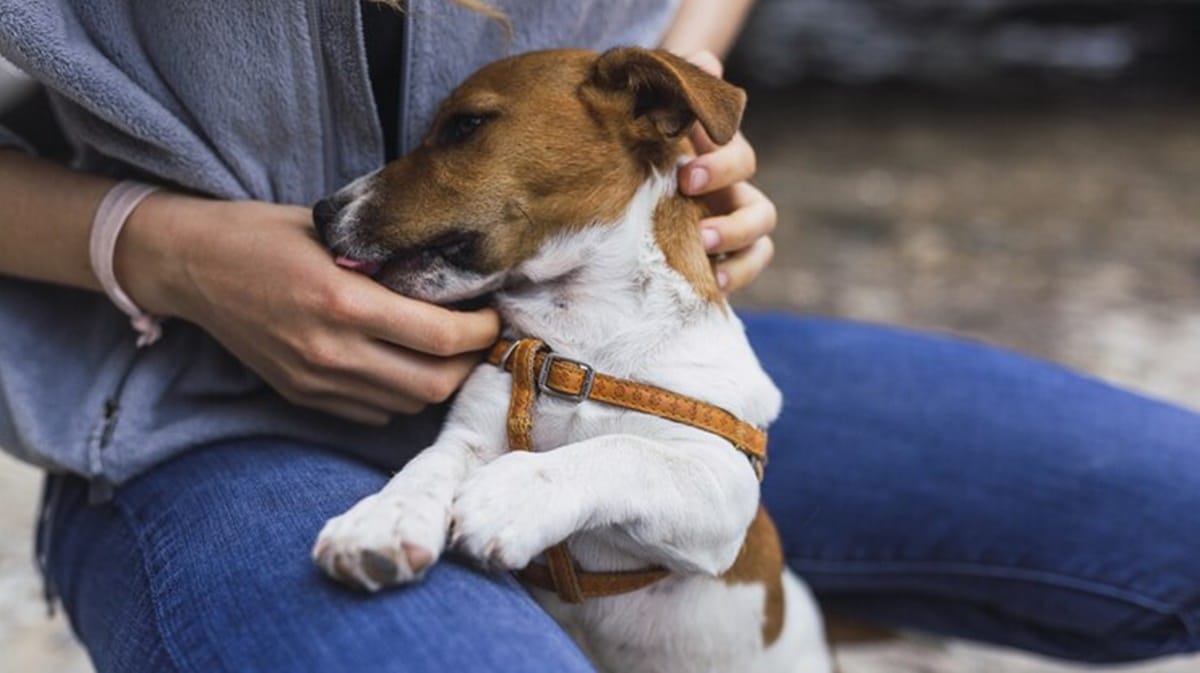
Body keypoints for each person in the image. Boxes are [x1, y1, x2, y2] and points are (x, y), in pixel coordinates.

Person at [0, 1, 1196, 671]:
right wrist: (143, 242)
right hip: (198, 415)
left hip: (615, 377)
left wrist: (685, 92)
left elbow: (703, 487)